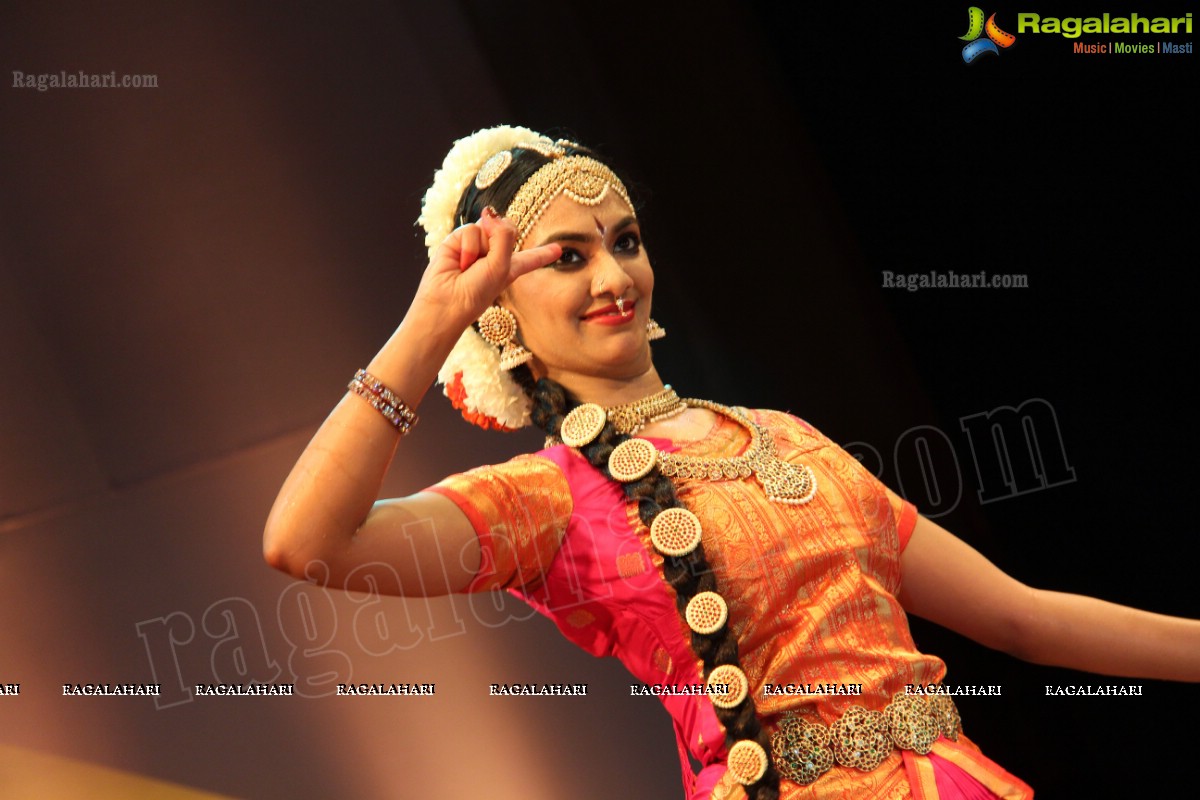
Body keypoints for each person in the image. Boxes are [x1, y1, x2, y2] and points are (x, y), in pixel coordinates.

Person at [263, 125, 1200, 800]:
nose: (612, 277)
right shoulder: (545, 500)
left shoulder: (785, 437)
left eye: (624, 242)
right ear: (499, 312)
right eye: (568, 256)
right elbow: (308, 542)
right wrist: (433, 321)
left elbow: (1023, 620)